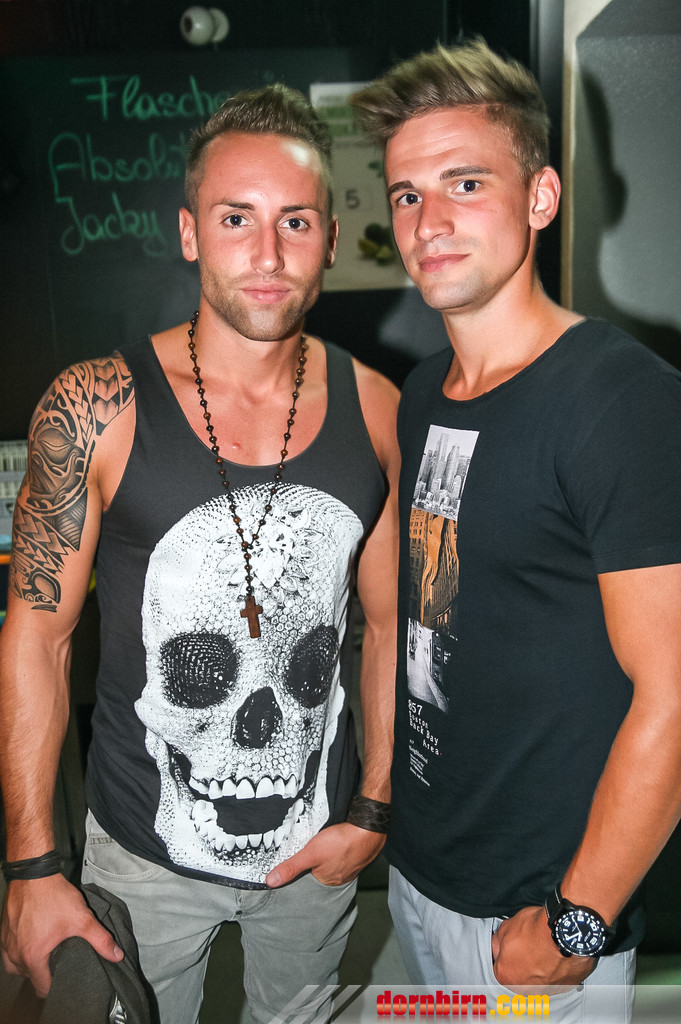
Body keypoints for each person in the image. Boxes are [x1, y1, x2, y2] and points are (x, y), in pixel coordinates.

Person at [0, 84, 400, 1024]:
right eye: (235, 218)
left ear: (331, 239)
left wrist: (372, 811)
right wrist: (31, 868)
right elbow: (35, 640)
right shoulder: (96, 408)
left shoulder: (380, 410)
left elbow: (388, 631)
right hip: (142, 857)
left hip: (316, 855)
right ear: (189, 234)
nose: (267, 254)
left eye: (294, 221)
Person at [350, 39, 681, 1020]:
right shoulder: (424, 394)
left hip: (537, 914)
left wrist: (578, 921)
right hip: (421, 879)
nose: (429, 222)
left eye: (464, 183)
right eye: (406, 194)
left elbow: (676, 694)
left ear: (540, 197)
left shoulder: (620, 401)